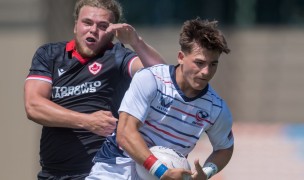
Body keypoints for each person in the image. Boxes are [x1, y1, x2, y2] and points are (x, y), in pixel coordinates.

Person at [24, 0, 166, 179]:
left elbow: (161, 75)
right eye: (87, 22)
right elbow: (34, 106)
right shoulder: (50, 54)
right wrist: (86, 121)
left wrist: (136, 42)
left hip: (102, 172)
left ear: (112, 33)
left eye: (102, 26)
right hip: (53, 172)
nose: (93, 30)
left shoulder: (117, 56)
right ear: (76, 25)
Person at [86, 18, 234, 180]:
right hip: (116, 168)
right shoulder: (151, 79)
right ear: (180, 57)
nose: (206, 72)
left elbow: (225, 148)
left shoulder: (216, 109)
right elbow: (125, 133)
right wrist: (160, 170)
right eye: (199, 63)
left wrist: (206, 173)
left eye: (213, 64)